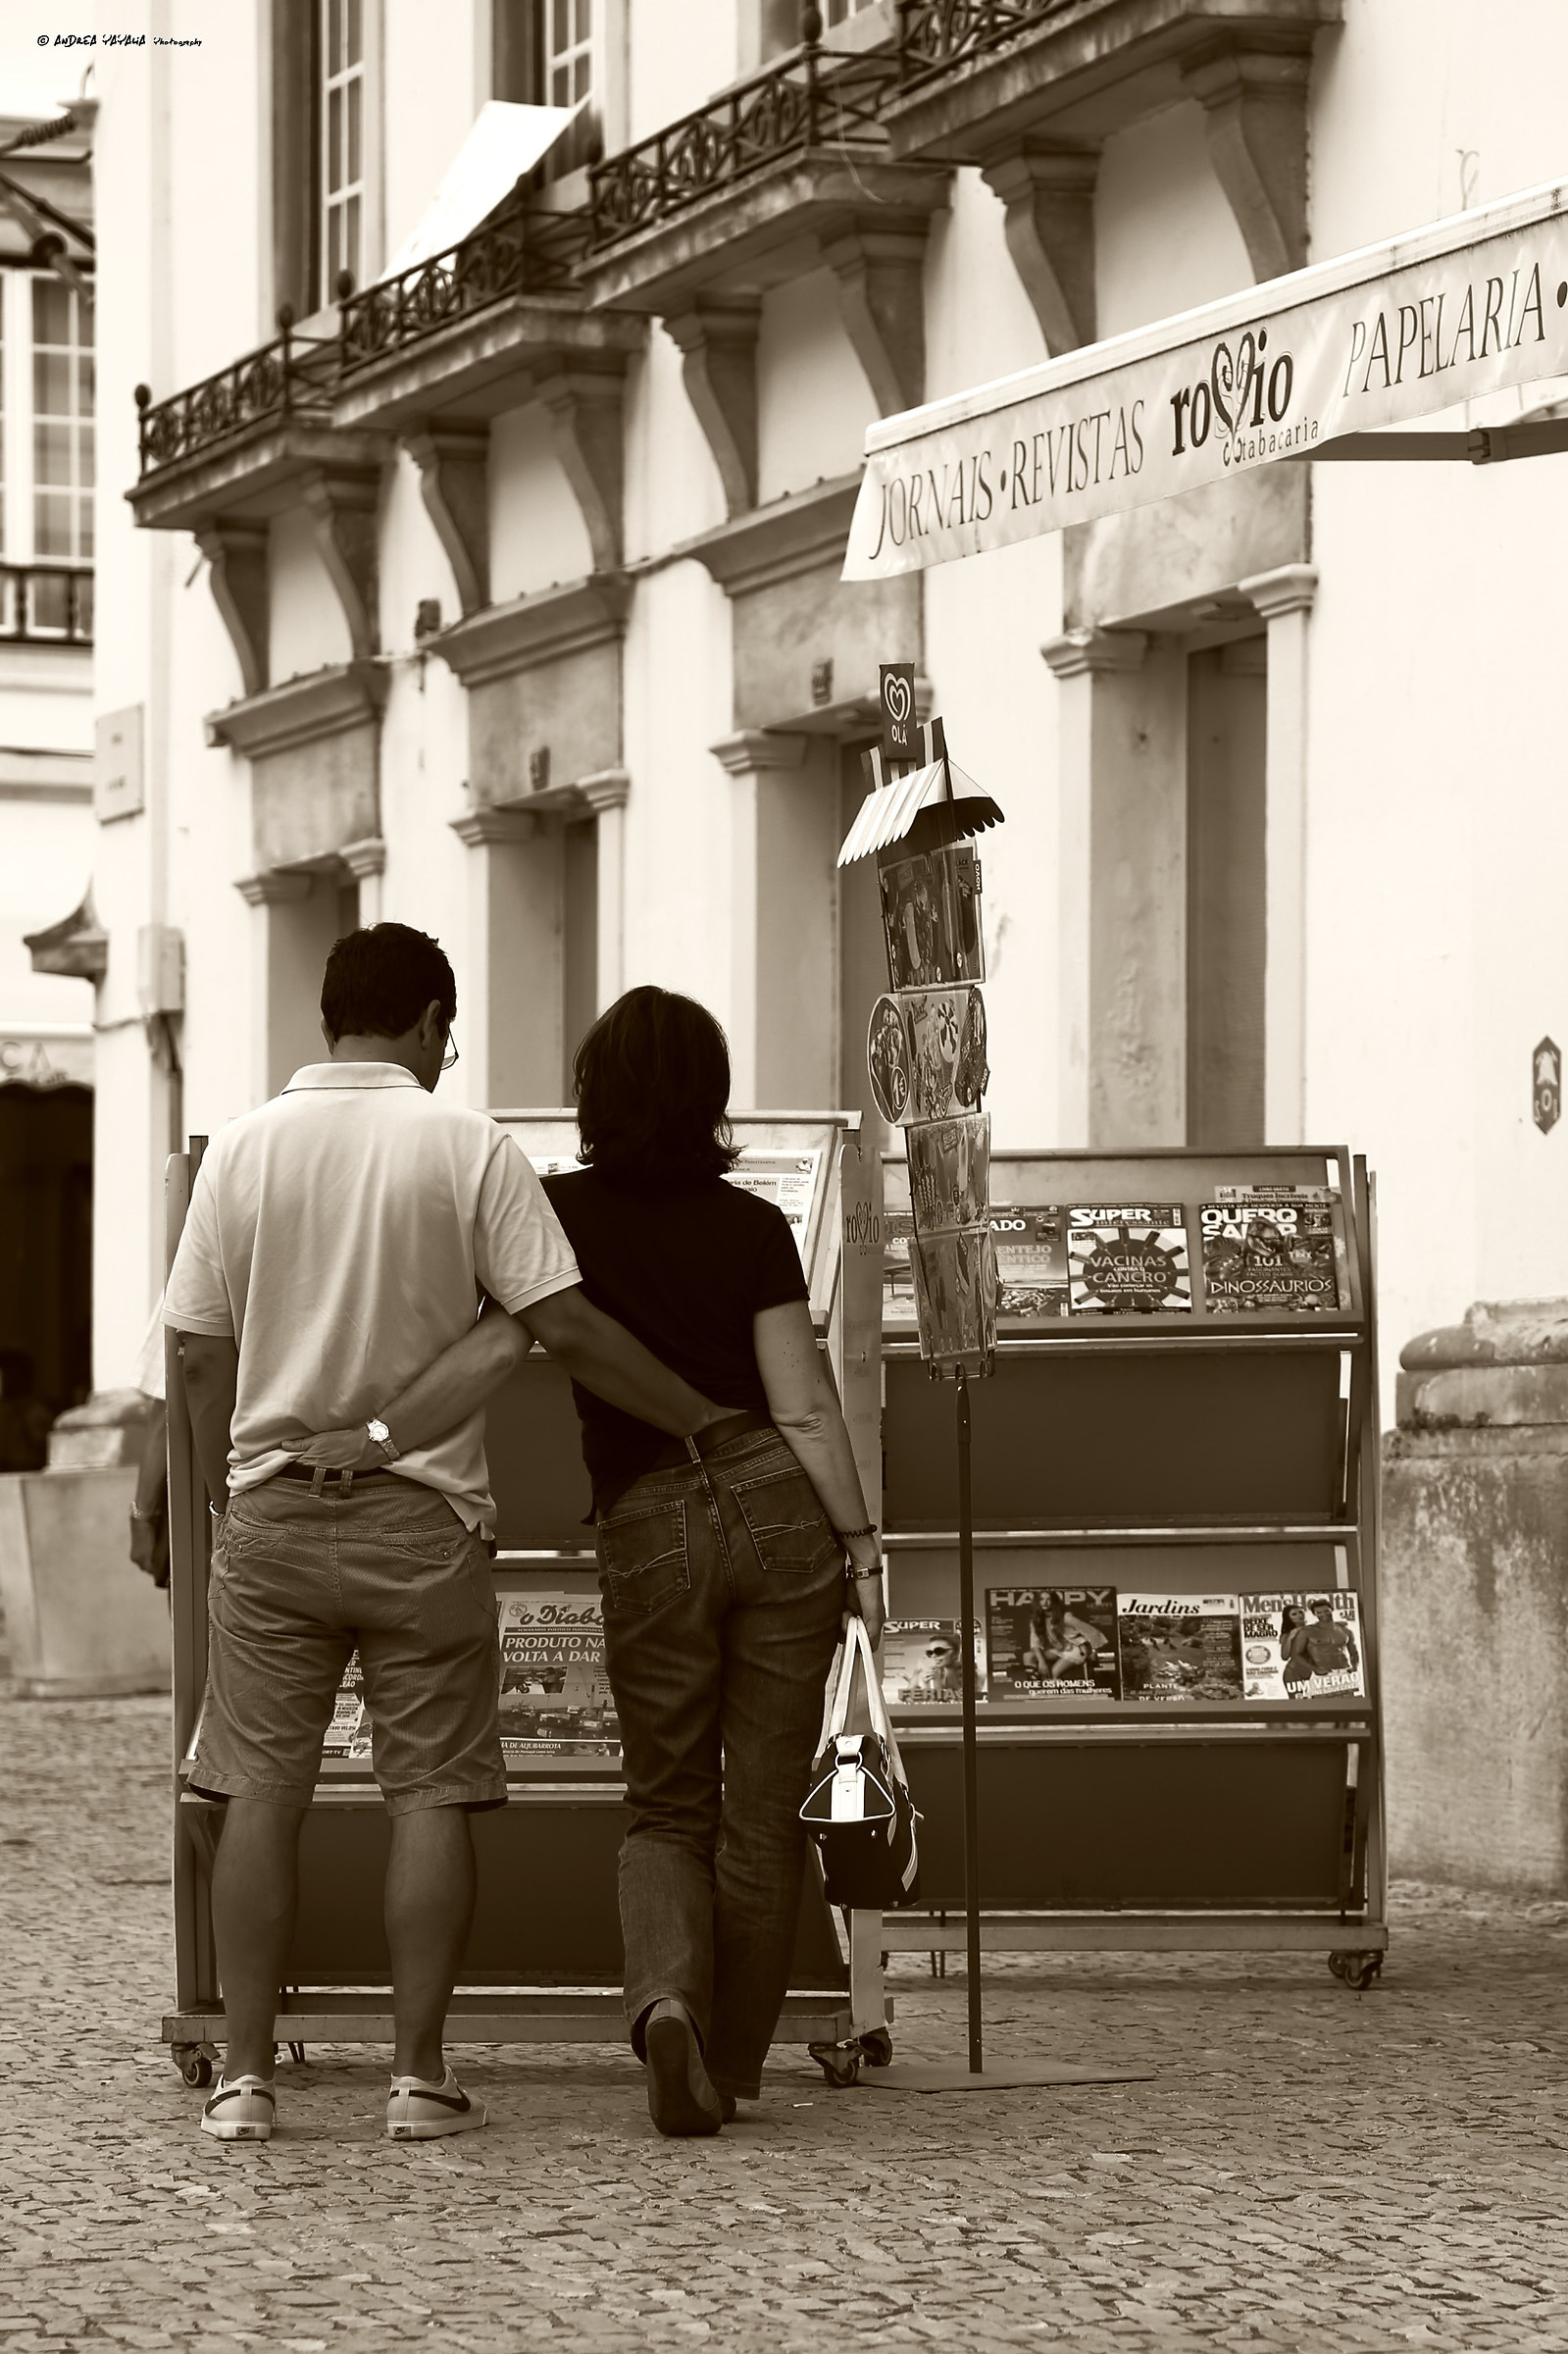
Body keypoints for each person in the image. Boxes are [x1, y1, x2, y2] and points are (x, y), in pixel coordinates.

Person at [166, 925, 728, 2147]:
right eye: (448, 1029)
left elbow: (200, 1355)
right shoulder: (467, 1146)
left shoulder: (244, 1151)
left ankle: (246, 2080)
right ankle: (419, 2079)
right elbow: (558, 1327)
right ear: (426, 1019)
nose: (449, 1048)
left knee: (258, 1789)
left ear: (330, 1018)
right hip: (423, 1521)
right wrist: (698, 1418)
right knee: (427, 1796)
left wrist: (225, 1499)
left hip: (267, 1511)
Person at [541, 986, 885, 2139]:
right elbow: (803, 1406)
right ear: (712, 1097)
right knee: (764, 1811)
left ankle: (667, 2003)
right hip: (776, 1507)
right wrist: (859, 1539)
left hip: (647, 1514)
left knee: (667, 1803)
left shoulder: (554, 1214)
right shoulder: (752, 1228)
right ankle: (728, 2066)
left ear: (593, 1093)